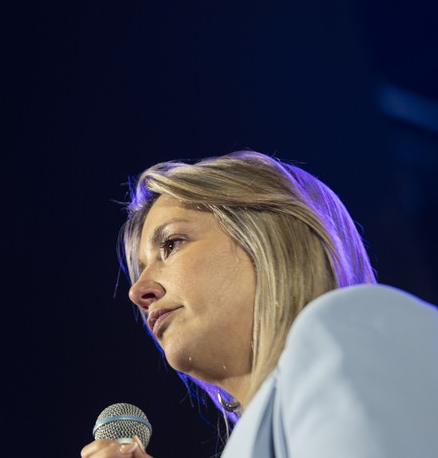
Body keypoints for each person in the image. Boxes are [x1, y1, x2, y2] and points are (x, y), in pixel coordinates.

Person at [80, 151, 438, 458]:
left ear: (264, 238)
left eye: (172, 244)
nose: (138, 291)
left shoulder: (348, 328)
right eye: (140, 271)